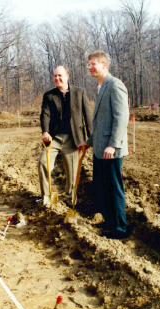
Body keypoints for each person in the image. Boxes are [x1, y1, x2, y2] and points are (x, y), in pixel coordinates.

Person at [78, 51, 132, 239]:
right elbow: (101, 122)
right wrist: (90, 141)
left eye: (93, 64)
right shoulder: (102, 87)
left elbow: (121, 117)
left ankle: (120, 229)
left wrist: (113, 145)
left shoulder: (115, 85)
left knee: (114, 189)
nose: (89, 67)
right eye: (89, 64)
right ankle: (110, 223)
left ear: (104, 65)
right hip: (100, 149)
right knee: (102, 189)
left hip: (111, 151)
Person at [38, 66, 92, 205]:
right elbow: (45, 114)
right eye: (55, 76)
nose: (57, 78)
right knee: (43, 162)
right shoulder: (49, 95)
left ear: (67, 76)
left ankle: (70, 200)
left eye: (60, 75)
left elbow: (88, 116)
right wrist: (45, 132)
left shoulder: (80, 93)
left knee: (73, 173)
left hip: (73, 139)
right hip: (53, 138)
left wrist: (90, 139)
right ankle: (46, 197)